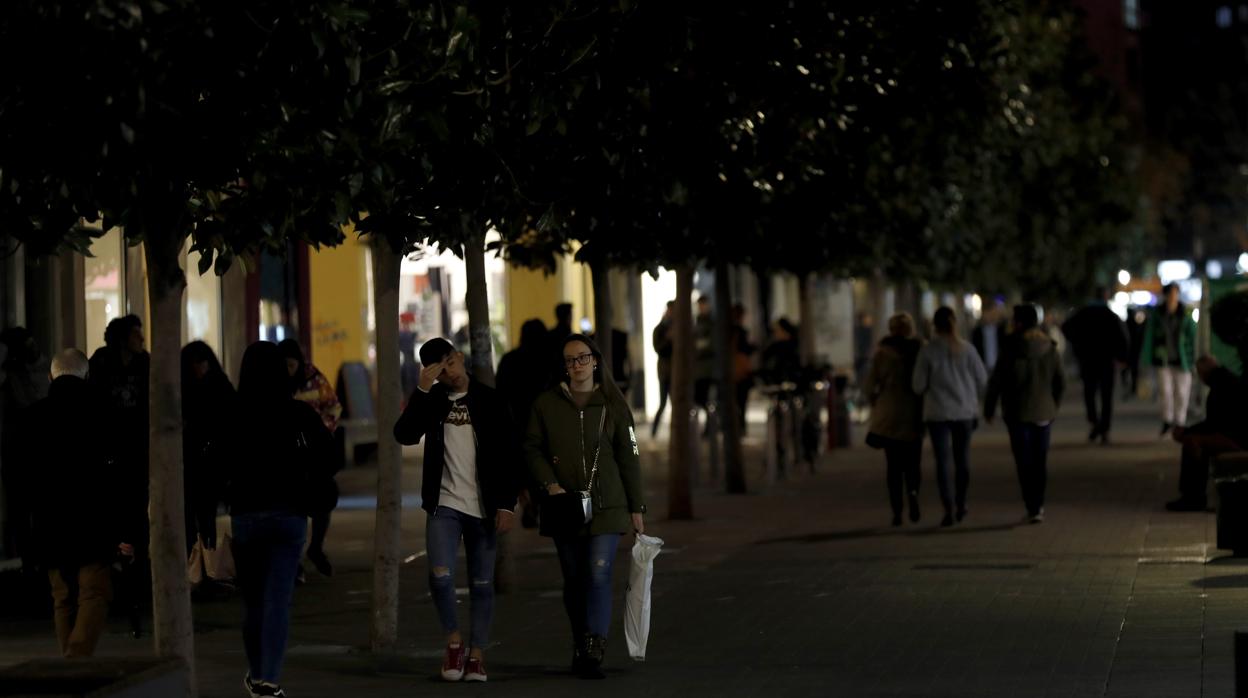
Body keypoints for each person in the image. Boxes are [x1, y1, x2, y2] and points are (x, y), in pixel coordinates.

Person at [394, 338, 520, 683]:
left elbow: (511, 453)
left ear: (460, 358)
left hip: (483, 506)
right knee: (440, 574)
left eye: (450, 363)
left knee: (481, 583)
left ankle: (477, 654)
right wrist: (420, 390)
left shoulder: (489, 400)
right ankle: (453, 641)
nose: (450, 373)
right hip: (444, 504)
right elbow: (404, 435)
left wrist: (507, 503)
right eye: (440, 371)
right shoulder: (432, 401)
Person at [525, 334, 646, 680]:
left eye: (581, 358)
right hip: (563, 505)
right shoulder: (546, 405)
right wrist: (550, 484)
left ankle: (594, 647)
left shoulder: (613, 404)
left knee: (598, 571)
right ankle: (580, 642)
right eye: (569, 360)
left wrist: (637, 506)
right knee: (574, 578)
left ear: (595, 360)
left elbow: (630, 456)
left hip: (608, 505)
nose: (576, 366)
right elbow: (531, 448)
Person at [223, 341, 337, 698]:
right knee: (277, 600)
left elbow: (215, 462)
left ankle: (258, 672)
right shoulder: (299, 414)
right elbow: (327, 458)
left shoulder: (233, 413)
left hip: (246, 516)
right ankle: (267, 679)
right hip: (289, 515)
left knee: (254, 602)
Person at [20, 349, 131, 658]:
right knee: (94, 592)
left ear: (51, 376)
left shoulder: (31, 419)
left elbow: (20, 479)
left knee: (62, 597)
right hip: (93, 521)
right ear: (86, 375)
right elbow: (121, 475)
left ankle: (69, 663)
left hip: (48, 522)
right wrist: (125, 527)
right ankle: (74, 663)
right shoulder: (105, 414)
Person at [87, 314, 149, 637]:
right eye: (137, 334)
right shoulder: (101, 364)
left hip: (138, 456)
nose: (142, 339)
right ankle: (117, 579)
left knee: (137, 521)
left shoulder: (145, 365)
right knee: (115, 522)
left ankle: (136, 584)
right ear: (123, 337)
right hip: (110, 457)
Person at [986, 305, 1065, 524]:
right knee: (1040, 460)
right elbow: (1060, 382)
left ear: (1019, 322)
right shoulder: (1049, 347)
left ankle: (1031, 504)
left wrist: (989, 407)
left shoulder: (1010, 347)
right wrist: (1053, 406)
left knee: (1023, 461)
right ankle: (1038, 505)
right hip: (1043, 413)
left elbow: (997, 380)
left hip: (1016, 412)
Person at [912, 307, 988, 527]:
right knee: (962, 459)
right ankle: (962, 502)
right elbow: (982, 380)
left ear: (934, 325)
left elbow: (917, 386)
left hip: (938, 413)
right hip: (964, 412)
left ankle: (948, 507)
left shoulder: (928, 351)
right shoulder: (967, 350)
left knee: (943, 462)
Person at [278, 338, 342, 578]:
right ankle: (295, 562)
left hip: (314, 454)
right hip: (289, 456)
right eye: (284, 365)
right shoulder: (275, 383)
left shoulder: (314, 379)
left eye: (291, 365)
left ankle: (315, 548)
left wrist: (321, 433)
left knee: (321, 500)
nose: (288, 370)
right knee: (294, 507)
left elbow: (333, 406)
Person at [862, 313, 925, 526]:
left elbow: (870, 385)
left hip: (889, 412)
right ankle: (914, 490)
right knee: (913, 461)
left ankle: (897, 510)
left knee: (893, 465)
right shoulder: (921, 349)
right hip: (914, 411)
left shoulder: (883, 353)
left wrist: (874, 401)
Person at [1166, 355, 1248, 511]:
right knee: (1194, 440)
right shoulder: (1224, 380)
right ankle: (1194, 495)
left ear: (1203, 372)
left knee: (1193, 442)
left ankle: (1193, 497)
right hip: (1235, 434)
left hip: (1238, 438)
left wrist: (1187, 434)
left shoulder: (1221, 386)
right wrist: (1189, 432)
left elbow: (1215, 424)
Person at [181, 341, 236, 559]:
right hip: (193, 459)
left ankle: (207, 559)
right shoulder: (186, 387)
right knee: (193, 513)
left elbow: (229, 418)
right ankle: (197, 559)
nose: (198, 368)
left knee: (206, 514)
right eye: (194, 363)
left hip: (211, 461)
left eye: (201, 362)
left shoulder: (218, 384)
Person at [1061, 288, 1129, 445]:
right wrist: (1122, 357)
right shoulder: (1111, 316)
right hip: (1106, 361)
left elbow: (1066, 328)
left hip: (1087, 360)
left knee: (1089, 393)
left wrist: (1078, 346)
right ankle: (1104, 429)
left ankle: (1094, 422)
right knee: (1106, 397)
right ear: (1106, 297)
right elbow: (1123, 337)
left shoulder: (1082, 314)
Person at [1141, 283, 1197, 436]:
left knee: (1182, 392)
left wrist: (1193, 357)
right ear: (1165, 296)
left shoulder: (1185, 312)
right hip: (1163, 359)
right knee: (1165, 391)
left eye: (1175, 293)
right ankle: (1167, 419)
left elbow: (1193, 335)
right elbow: (1149, 337)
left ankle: (1179, 421)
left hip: (1182, 359)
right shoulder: (1157, 313)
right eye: (1170, 294)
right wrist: (1146, 359)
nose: (1173, 297)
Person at [650, 302, 674, 437]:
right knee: (663, 403)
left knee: (676, 404)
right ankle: (654, 431)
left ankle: (674, 431)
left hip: (674, 373)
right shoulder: (660, 329)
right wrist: (668, 338)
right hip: (665, 373)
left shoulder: (678, 326)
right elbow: (658, 348)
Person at [971, 301, 1008, 373]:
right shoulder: (977, 332)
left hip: (1000, 369)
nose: (993, 316)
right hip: (983, 368)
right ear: (984, 314)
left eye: (995, 313)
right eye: (990, 313)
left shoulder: (1002, 331)